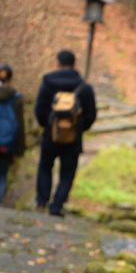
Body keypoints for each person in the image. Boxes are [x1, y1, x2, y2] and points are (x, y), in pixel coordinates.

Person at [34, 49, 96, 216]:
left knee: (45, 167)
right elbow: (91, 115)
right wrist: (78, 128)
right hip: (73, 139)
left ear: (58, 63)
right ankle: (56, 206)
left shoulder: (47, 84)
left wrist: (48, 126)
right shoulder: (84, 87)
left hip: (50, 136)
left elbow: (39, 109)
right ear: (75, 65)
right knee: (67, 173)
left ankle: (41, 202)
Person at [0, 63, 26, 205]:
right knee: (2, 176)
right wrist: (20, 149)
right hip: (6, 144)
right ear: (10, 78)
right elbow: (19, 125)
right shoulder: (15, 97)